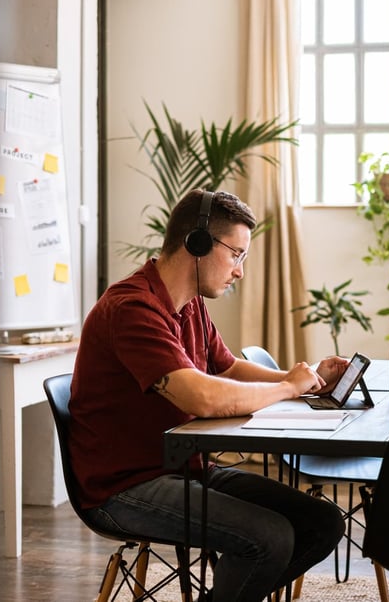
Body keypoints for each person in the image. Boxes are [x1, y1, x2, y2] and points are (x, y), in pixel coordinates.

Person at [69, 188, 347, 601]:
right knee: (268, 537)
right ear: (196, 243)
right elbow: (201, 398)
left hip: (185, 468)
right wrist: (287, 389)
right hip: (125, 487)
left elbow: (229, 366)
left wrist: (296, 378)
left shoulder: (190, 304)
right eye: (236, 255)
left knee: (322, 521)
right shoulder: (132, 309)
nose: (239, 271)